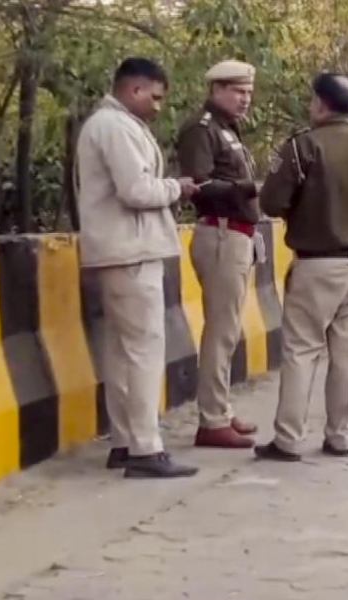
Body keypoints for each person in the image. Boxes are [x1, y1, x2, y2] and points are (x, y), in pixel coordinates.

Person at [255, 73, 348, 462]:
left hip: (317, 264)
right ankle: (340, 435)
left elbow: (270, 203)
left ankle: (288, 438)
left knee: (302, 349)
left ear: (321, 104)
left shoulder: (300, 147)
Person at [76, 57, 199, 478]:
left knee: (121, 351)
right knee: (145, 350)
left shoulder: (110, 125)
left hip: (116, 251)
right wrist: (176, 187)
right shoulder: (115, 127)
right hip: (131, 251)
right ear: (134, 90)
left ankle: (126, 441)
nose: (159, 106)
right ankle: (146, 448)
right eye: (156, 96)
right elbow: (135, 189)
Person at [176, 60, 261, 449]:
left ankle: (220, 409)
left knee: (228, 330)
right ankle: (211, 419)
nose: (245, 99)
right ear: (216, 90)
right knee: (221, 330)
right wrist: (245, 188)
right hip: (220, 232)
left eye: (247, 92)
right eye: (237, 91)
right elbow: (199, 184)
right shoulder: (201, 130)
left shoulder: (229, 131)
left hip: (239, 235)